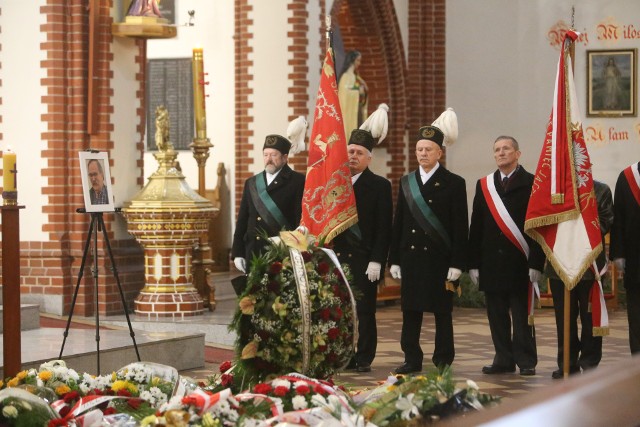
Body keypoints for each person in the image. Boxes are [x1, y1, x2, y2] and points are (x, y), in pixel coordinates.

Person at [388, 112, 468, 374]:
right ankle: (412, 358)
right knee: (411, 312)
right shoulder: (406, 182)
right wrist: (395, 259)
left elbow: (459, 227)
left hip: (440, 259)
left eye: (428, 149)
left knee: (442, 313)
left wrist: (458, 263)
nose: (423, 153)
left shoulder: (454, 183)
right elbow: (398, 223)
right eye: (419, 149)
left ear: (439, 154)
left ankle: (443, 359)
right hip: (411, 259)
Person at [468, 136, 544, 377]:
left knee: (522, 315)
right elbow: (476, 225)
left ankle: (526, 360)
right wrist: (474, 264)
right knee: (497, 315)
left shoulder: (532, 183)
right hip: (492, 262)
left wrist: (536, 262)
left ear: (517, 154)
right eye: (497, 150)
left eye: (506, 149)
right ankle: (503, 358)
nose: (501, 153)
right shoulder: (485, 185)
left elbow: (538, 227)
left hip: (520, 262)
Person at [333, 105, 392, 373]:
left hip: (365, 259)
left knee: (365, 312)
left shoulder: (380, 186)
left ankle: (365, 355)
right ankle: (344, 353)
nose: (353, 157)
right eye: (350, 152)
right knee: (340, 311)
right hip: (338, 258)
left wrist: (378, 260)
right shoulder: (336, 184)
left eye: (358, 153)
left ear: (369, 158)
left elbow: (384, 228)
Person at [546, 180, 613, 379]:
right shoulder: (555, 191)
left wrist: (576, 229)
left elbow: (605, 222)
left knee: (590, 317)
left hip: (588, 264)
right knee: (564, 318)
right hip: (560, 263)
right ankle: (567, 362)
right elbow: (545, 221)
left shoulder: (600, 190)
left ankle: (590, 363)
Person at [231, 132, 306, 275]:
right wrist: (237, 252)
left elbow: (300, 221)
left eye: (274, 155)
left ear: (285, 158)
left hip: (281, 253)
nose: (268, 159)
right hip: (253, 252)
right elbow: (242, 220)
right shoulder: (252, 183)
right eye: (265, 155)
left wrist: (288, 242)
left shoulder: (297, 181)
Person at [610, 161, 640, 355]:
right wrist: (618, 253)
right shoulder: (627, 176)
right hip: (635, 257)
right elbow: (618, 218)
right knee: (636, 312)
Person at [338, 50, 368, 140]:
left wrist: (363, 91)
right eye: (358, 60)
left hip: (357, 110)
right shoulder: (346, 76)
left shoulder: (355, 76)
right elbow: (344, 94)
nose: (359, 63)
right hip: (349, 112)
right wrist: (358, 91)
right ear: (352, 60)